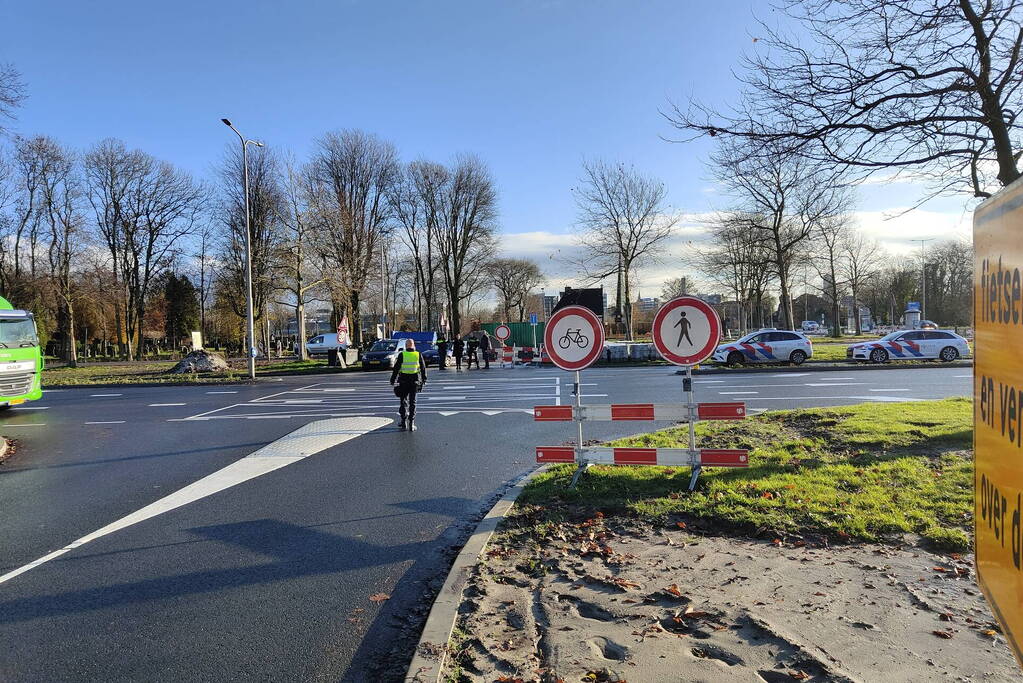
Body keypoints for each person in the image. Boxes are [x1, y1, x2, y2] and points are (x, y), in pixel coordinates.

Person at [389, 338, 427, 431]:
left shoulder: (402, 354)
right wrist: (424, 379)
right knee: (413, 402)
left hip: (403, 381)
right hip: (415, 382)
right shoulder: (418, 354)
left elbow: (396, 368)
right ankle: (411, 423)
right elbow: (423, 368)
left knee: (403, 402)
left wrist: (392, 380)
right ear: (414, 346)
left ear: (406, 346)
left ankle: (403, 422)